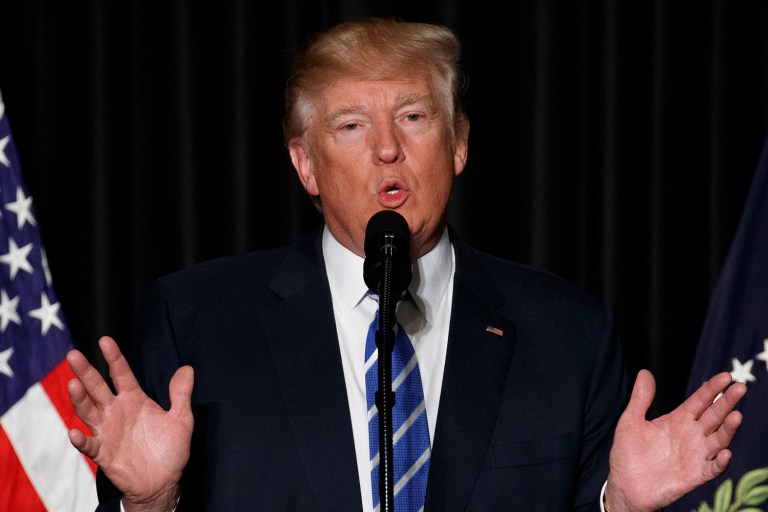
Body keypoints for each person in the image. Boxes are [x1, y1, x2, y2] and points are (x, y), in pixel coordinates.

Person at [66, 17, 746, 512]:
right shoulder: (196, 321)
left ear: (458, 144)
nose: (387, 149)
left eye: (415, 117)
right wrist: (151, 503)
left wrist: (619, 504)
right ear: (305, 162)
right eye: (352, 126)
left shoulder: (568, 332)